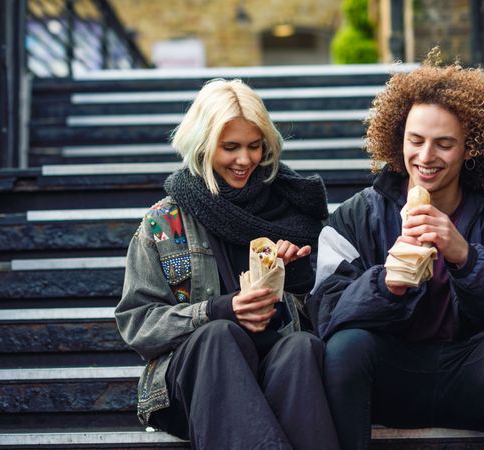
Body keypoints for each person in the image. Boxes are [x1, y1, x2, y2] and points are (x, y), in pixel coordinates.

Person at [307, 51, 484, 450]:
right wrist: (386, 284)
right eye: (415, 141)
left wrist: (465, 256)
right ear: (396, 138)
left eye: (444, 144)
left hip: (471, 375)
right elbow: (324, 312)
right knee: (345, 347)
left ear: (470, 147)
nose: (425, 157)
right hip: (389, 379)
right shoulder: (356, 215)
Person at [114, 78, 340, 450]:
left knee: (301, 347)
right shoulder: (162, 224)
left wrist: (296, 279)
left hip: (275, 371)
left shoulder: (293, 213)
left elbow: (330, 317)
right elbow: (137, 324)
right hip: (193, 385)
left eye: (254, 146)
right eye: (230, 147)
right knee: (221, 335)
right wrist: (220, 311)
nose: (245, 160)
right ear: (202, 146)